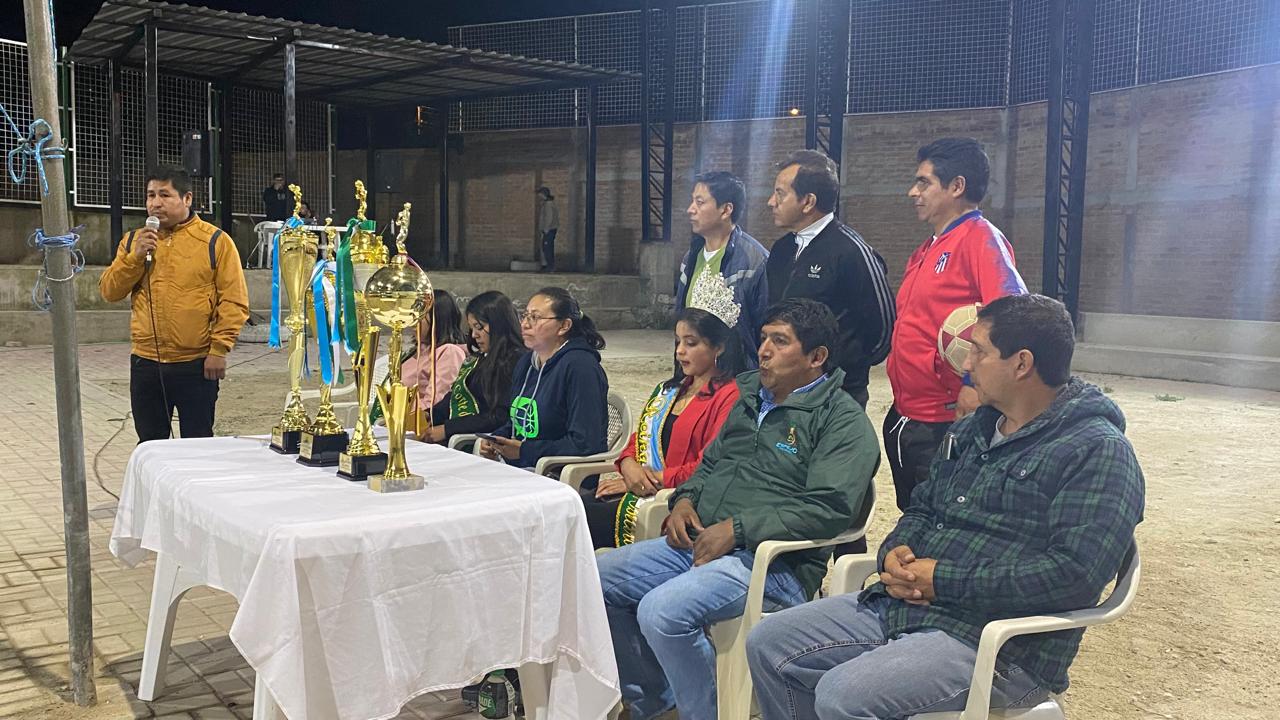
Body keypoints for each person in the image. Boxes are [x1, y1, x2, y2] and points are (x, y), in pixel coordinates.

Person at [746, 294, 1146, 720]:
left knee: (843, 695)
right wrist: (896, 554)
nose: (966, 364)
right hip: (910, 607)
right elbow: (922, 509)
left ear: (1022, 364)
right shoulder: (974, 429)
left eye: (979, 351)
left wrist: (941, 580)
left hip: (1001, 645)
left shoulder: (1097, 451)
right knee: (770, 642)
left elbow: (1074, 575)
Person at [597, 298, 879, 720]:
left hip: (774, 565)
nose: (763, 350)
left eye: (780, 341)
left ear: (816, 357)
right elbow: (709, 464)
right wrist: (683, 500)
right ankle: (657, 704)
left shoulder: (841, 421)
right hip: (701, 541)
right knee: (596, 579)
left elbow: (830, 507)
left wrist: (739, 529)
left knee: (662, 611)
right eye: (763, 338)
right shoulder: (749, 399)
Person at [885, 137, 1028, 511]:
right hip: (908, 413)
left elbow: (1012, 315)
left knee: (942, 519)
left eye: (924, 182)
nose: (913, 192)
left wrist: (973, 383)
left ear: (957, 186)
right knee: (913, 515)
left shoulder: (981, 239)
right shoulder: (928, 248)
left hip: (945, 418)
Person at [99, 165, 249, 442]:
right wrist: (134, 258)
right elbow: (109, 291)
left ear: (187, 198)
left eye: (165, 195)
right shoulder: (133, 242)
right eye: (150, 195)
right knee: (150, 444)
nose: (155, 203)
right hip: (146, 363)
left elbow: (234, 301)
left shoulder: (215, 242)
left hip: (196, 363)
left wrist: (219, 349)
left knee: (197, 443)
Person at [583, 304, 746, 550]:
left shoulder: (730, 396)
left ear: (719, 347)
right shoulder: (671, 389)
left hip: (676, 500)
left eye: (691, 343)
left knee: (580, 519)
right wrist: (628, 465)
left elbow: (710, 464)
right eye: (678, 342)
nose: (680, 351)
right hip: (642, 488)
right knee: (570, 506)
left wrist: (650, 481)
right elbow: (640, 438)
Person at [765, 149, 895, 408]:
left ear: (808, 202)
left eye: (780, 193)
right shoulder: (781, 250)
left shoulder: (851, 252)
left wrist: (843, 368)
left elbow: (883, 329)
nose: (771, 202)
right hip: (786, 390)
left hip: (835, 396)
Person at [479, 287, 609, 468]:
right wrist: (497, 438)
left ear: (564, 326)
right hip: (521, 467)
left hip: (556, 473)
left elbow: (585, 443)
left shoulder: (581, 367)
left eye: (535, 317)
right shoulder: (527, 362)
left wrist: (525, 451)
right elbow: (518, 423)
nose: (525, 324)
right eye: (525, 316)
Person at [674, 171, 770, 366]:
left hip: (738, 376)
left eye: (700, 202)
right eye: (692, 201)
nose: (690, 209)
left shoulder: (754, 262)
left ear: (726, 210)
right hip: (695, 374)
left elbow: (764, 329)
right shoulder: (691, 258)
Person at [419, 291, 527, 444]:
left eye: (479, 327)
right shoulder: (482, 358)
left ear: (499, 324)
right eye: (471, 328)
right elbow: (456, 397)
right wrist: (429, 415)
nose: (474, 335)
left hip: (476, 441)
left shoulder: (514, 360)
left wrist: (447, 429)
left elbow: (501, 416)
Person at [397, 289, 469, 428]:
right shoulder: (417, 350)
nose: (412, 322)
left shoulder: (449, 352)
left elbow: (435, 403)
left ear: (437, 319)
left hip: (421, 426)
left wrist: (401, 417)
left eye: (420, 316)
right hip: (399, 420)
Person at [537, 186, 560, 272]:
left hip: (549, 229)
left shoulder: (548, 204)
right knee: (547, 247)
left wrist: (546, 228)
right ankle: (548, 266)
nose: (539, 196)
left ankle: (550, 266)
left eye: (540, 194)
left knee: (547, 248)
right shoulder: (548, 203)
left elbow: (549, 217)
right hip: (551, 229)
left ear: (543, 194)